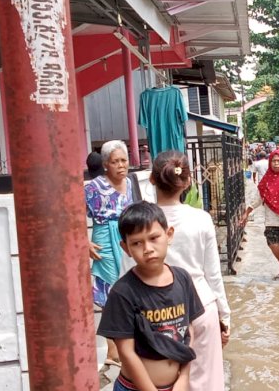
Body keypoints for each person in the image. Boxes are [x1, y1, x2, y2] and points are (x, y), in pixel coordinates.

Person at [97, 201, 204, 391]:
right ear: (126, 248)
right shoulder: (123, 292)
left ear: (168, 235)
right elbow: (126, 352)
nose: (147, 248)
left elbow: (188, 331)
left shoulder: (182, 279)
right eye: (137, 243)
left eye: (154, 238)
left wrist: (184, 377)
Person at [149, 151, 231, 390]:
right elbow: (213, 275)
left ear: (152, 180)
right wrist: (224, 317)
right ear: (186, 182)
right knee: (206, 381)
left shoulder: (140, 221)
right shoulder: (201, 219)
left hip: (156, 311)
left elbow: (127, 273)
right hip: (201, 306)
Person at [85, 140, 135, 366]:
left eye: (124, 160)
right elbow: (72, 213)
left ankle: (123, 346)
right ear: (106, 164)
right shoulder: (93, 187)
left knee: (127, 289)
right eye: (115, 162)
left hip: (126, 236)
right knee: (108, 292)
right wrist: (82, 240)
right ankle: (113, 350)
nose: (121, 166)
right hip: (104, 237)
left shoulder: (131, 182)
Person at [241, 150, 279, 282]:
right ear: (270, 163)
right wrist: (247, 212)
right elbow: (258, 198)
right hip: (271, 218)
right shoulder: (266, 180)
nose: (276, 164)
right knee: (272, 244)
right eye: (273, 161)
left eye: (278, 161)